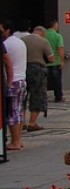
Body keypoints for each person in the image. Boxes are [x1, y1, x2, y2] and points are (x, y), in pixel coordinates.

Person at [21, 26, 54, 132]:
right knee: (37, 95)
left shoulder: (22, 40)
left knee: (22, 97)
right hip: (38, 69)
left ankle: (21, 122)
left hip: (23, 69)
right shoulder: (43, 41)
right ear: (42, 33)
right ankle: (32, 123)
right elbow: (51, 58)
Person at [3, 21, 28, 150]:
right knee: (18, 111)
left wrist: (8, 82)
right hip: (21, 79)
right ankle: (19, 140)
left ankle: (15, 141)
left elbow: (8, 63)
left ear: (8, 30)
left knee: (12, 112)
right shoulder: (19, 42)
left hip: (14, 81)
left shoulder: (7, 44)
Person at [45, 19, 65, 103]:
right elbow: (60, 48)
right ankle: (58, 97)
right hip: (56, 61)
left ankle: (43, 96)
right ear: (54, 25)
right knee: (57, 81)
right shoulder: (57, 36)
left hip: (45, 62)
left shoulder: (43, 35)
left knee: (44, 81)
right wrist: (62, 60)